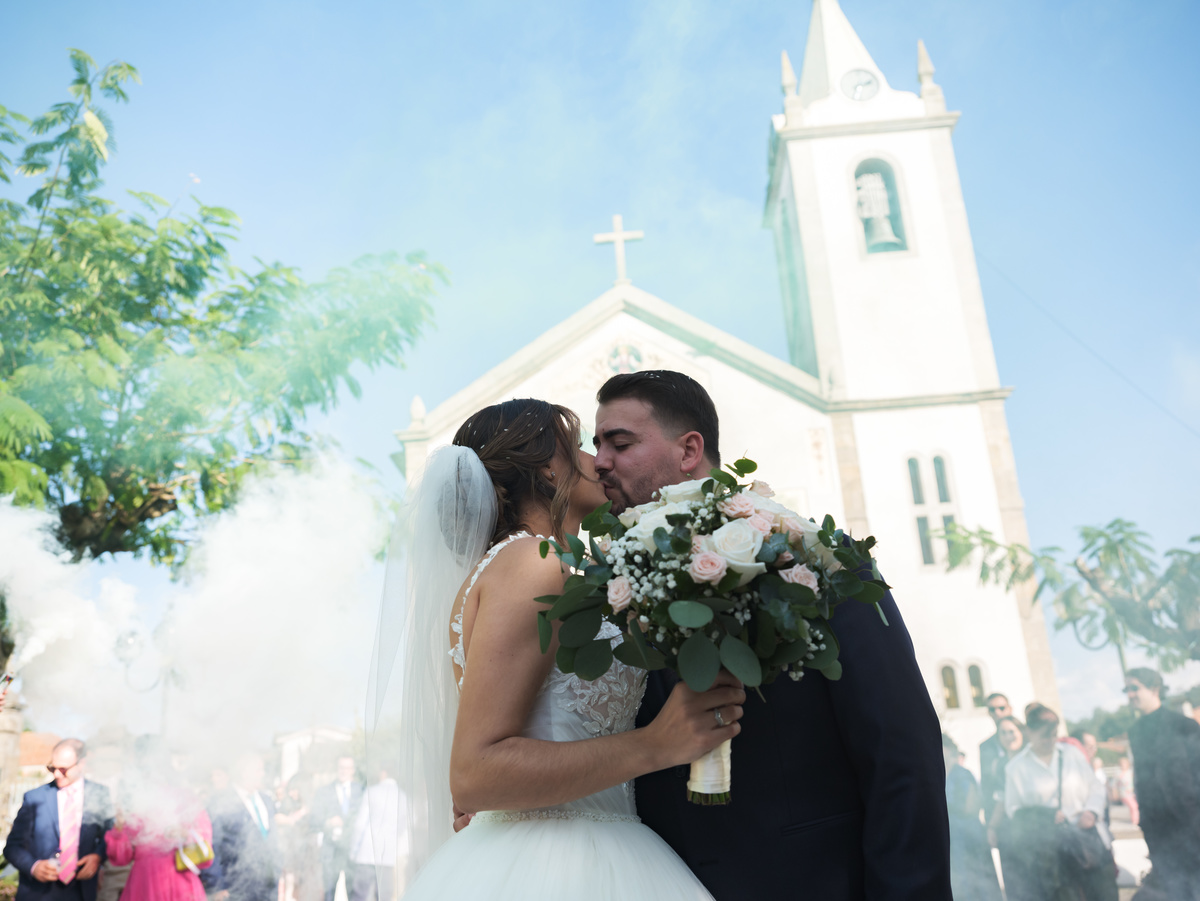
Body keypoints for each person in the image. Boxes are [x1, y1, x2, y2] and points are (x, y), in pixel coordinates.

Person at [593, 370, 952, 900]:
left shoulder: (817, 560)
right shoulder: (606, 588)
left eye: (619, 444)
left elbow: (900, 753)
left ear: (689, 450)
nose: (598, 461)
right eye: (597, 444)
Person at [372, 397, 745, 899]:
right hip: (556, 863)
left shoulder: (540, 569)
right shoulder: (533, 563)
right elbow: (475, 773)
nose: (599, 461)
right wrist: (655, 744)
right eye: (580, 446)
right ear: (550, 469)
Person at [1004, 703, 1116, 901]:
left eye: (1053, 734)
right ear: (1029, 732)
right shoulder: (1016, 768)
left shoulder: (1072, 754)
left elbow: (1096, 788)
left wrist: (1091, 812)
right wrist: (1044, 816)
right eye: (1044, 735)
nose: (1050, 740)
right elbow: (1014, 811)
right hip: (1052, 855)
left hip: (1087, 844)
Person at [103, 735, 213, 901]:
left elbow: (206, 851)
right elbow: (121, 858)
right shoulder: (134, 802)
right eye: (143, 767)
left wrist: (185, 834)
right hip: (144, 884)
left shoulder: (187, 799)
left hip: (180, 883)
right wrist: (119, 827)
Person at [5, 738, 113, 901]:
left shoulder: (100, 794)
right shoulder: (34, 798)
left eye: (63, 769)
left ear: (81, 764)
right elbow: (12, 847)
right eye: (52, 768)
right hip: (38, 893)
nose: (56, 774)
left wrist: (98, 857)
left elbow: (110, 836)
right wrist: (33, 867)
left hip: (81, 891)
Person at [1125, 667, 1200, 900]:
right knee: (1174, 891)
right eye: (1126, 690)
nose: (1130, 695)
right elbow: (1141, 780)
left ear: (1154, 688)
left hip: (1192, 825)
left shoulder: (1183, 725)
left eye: (1134, 688)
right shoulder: (1135, 731)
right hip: (1158, 831)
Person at [202, 753, 279, 901]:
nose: (263, 774)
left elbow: (272, 839)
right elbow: (212, 845)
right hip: (236, 886)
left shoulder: (266, 800)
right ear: (244, 773)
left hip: (268, 885)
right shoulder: (222, 802)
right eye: (258, 770)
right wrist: (216, 886)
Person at [943, 735, 1002, 901]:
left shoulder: (962, 774)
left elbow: (971, 806)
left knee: (979, 881)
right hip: (952, 839)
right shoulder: (939, 775)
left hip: (968, 834)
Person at [309, 756, 363, 901]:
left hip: (353, 849)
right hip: (330, 850)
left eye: (347, 768)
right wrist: (327, 822)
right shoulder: (324, 791)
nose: (344, 771)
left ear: (353, 770)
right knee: (329, 890)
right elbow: (313, 819)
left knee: (355, 891)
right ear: (336, 769)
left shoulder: (361, 790)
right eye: (341, 767)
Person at [347, 767, 403, 901]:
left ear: (383, 772)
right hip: (387, 856)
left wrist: (353, 851)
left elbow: (360, 825)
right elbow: (401, 829)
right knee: (384, 897)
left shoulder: (372, 791)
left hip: (366, 853)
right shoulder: (403, 796)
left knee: (359, 895)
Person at [980, 693, 1015, 826]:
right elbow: (987, 785)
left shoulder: (1027, 738)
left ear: (1010, 709)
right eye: (992, 709)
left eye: (1001, 708)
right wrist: (990, 821)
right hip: (1001, 818)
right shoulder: (985, 747)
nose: (997, 713)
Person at [1115, 756, 1138, 826]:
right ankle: (1136, 821)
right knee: (1134, 806)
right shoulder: (1119, 774)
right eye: (1122, 764)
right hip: (1125, 793)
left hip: (1132, 792)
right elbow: (1115, 785)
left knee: (1133, 807)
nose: (1123, 765)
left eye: (1125, 763)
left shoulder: (1130, 772)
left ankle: (1134, 819)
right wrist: (1115, 793)